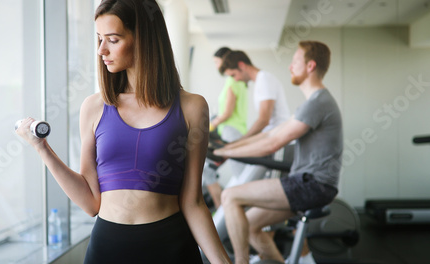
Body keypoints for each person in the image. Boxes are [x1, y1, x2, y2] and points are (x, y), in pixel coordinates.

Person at [16, 1, 231, 263]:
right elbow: (90, 203)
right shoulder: (93, 108)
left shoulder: (192, 107)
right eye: (99, 39)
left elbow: (193, 201)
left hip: (171, 247)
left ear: (143, 39)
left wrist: (223, 262)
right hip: (107, 248)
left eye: (113, 40)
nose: (101, 50)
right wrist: (42, 148)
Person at [214, 41, 343, 264]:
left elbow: (272, 144)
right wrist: (226, 149)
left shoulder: (318, 102)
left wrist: (227, 152)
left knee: (229, 196)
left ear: (310, 66)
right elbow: (268, 135)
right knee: (251, 226)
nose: (290, 67)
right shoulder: (311, 103)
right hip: (307, 182)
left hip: (312, 185)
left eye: (295, 62)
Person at [204, 49, 291, 209]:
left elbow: (264, 120)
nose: (234, 79)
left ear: (241, 65)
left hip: (280, 144)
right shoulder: (260, 82)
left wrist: (242, 142)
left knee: (274, 203)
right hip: (271, 140)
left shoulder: (264, 79)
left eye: (233, 75)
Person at [204, 47, 248, 209]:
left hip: (231, 134)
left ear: (225, 61)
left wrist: (209, 126)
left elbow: (227, 113)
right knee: (207, 169)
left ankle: (227, 210)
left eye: (216, 61)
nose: (216, 66)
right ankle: (220, 209)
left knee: (241, 177)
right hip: (233, 133)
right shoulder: (239, 81)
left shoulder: (232, 81)